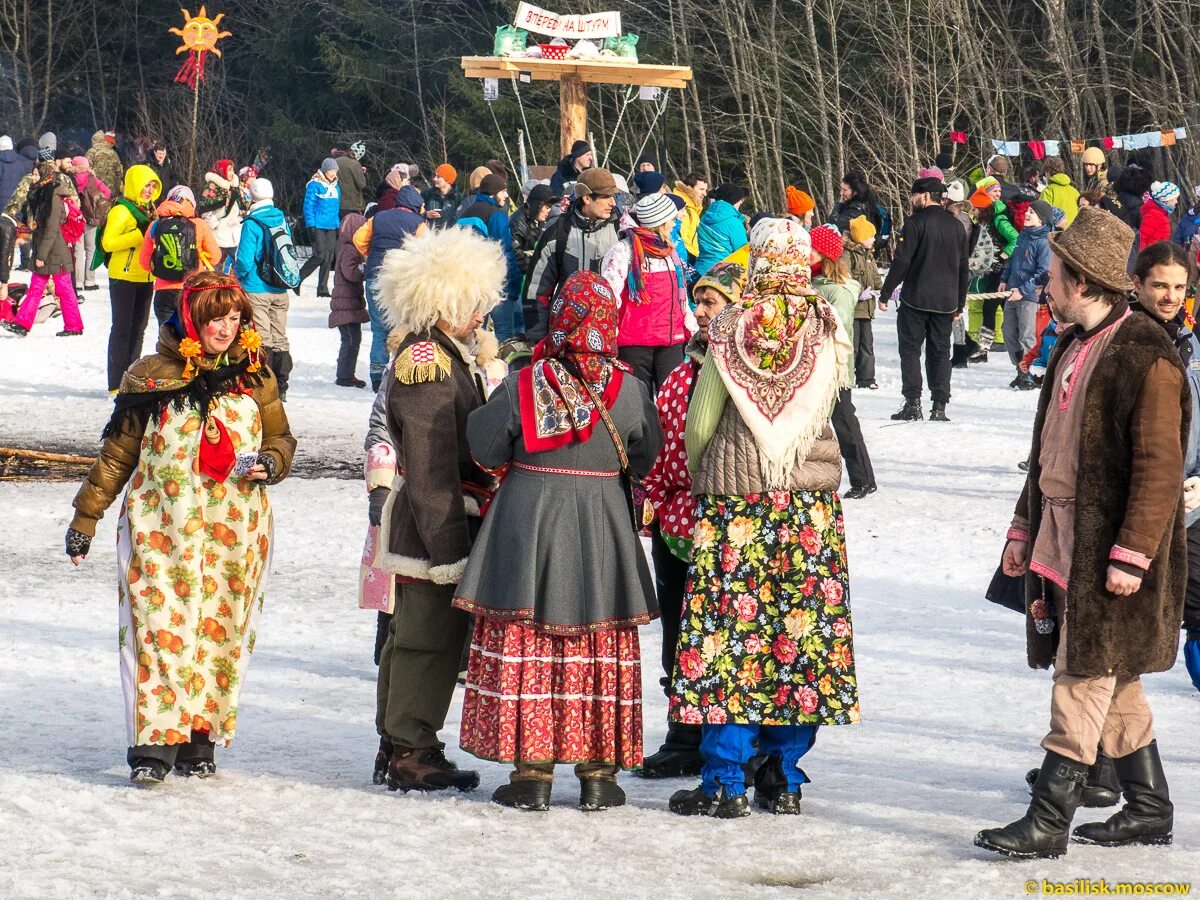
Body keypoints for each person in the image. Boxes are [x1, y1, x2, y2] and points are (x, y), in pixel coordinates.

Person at [976, 207, 1188, 859]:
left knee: (1082, 671)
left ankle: (1047, 821)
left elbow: (1159, 469)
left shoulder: (1145, 356)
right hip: (1062, 535)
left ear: (1085, 284)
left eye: (1056, 275)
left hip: (1114, 550)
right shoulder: (1072, 343)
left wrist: (1131, 555)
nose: (1047, 283)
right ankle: (1149, 808)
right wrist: (1022, 525)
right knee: (1115, 678)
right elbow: (1048, 451)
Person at [64, 269, 295, 784]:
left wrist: (273, 462)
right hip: (160, 529)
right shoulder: (149, 375)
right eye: (217, 318)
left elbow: (283, 439)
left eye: (235, 318)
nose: (227, 329)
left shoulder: (257, 376)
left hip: (235, 534)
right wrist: (86, 517)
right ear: (192, 316)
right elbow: (117, 454)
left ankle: (199, 737)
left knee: (221, 629)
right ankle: (153, 745)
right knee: (157, 627)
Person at [668, 218, 859, 818]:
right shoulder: (826, 329)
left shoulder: (729, 328)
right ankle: (783, 771)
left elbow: (701, 421)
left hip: (739, 505)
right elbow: (833, 404)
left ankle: (725, 778)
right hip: (808, 505)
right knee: (798, 634)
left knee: (731, 635)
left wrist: (713, 471)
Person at [454, 270, 662, 811]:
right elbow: (647, 456)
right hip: (603, 527)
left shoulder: (525, 383)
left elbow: (484, 447)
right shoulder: (630, 389)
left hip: (529, 524)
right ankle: (599, 774)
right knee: (600, 643)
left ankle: (532, 773)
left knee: (531, 643)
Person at [369, 224, 506, 794]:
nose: (483, 312)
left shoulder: (443, 355)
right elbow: (429, 466)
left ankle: (397, 740)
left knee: (411, 639)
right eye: (475, 301)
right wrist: (450, 550)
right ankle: (411, 748)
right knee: (427, 640)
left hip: (423, 525)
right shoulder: (428, 363)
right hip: (430, 529)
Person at [638, 261, 745, 781]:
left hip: (721, 520)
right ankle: (682, 735)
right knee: (677, 634)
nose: (700, 312)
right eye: (698, 302)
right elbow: (661, 442)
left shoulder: (740, 373)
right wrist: (651, 492)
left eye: (712, 303)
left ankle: (720, 738)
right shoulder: (684, 369)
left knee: (717, 636)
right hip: (673, 521)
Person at [1129, 242, 1200, 704]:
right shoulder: (1120, 341)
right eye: (1160, 285)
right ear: (1137, 285)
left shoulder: (1191, 345)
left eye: (1179, 287)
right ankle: (1097, 756)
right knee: (1119, 637)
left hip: (1191, 506)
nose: (1171, 296)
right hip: (1134, 511)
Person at [881, 176, 969, 422]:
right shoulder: (957, 227)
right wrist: (959, 302)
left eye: (914, 195)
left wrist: (887, 291)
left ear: (925, 196)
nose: (912, 200)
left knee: (910, 351)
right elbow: (964, 269)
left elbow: (902, 261)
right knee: (940, 352)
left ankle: (913, 402)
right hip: (946, 302)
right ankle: (939, 405)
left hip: (915, 299)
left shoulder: (914, 223)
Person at [601, 192, 692, 392]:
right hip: (634, 344)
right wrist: (608, 338)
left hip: (670, 342)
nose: (674, 223)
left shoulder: (670, 253)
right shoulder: (624, 251)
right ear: (660, 223)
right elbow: (609, 298)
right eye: (671, 219)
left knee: (671, 399)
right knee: (636, 402)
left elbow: (680, 296)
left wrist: (691, 329)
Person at [811, 224, 875, 498]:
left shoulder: (841, 290)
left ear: (825, 254)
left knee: (845, 422)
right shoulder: (811, 283)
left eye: (812, 249)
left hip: (834, 367)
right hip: (813, 366)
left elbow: (838, 330)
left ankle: (862, 478)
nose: (806, 253)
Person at [525, 168, 621, 340]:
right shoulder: (557, 234)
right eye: (606, 197)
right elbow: (536, 291)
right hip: (566, 333)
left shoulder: (621, 232)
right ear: (586, 197)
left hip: (611, 333)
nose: (613, 203)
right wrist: (537, 338)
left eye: (614, 196)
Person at [354, 184, 429, 390]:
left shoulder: (378, 217)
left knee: (379, 328)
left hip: (375, 276)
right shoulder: (418, 223)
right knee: (404, 326)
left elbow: (357, 238)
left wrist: (369, 253)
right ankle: (401, 372)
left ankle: (377, 375)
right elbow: (426, 250)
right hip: (400, 280)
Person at [2, 152, 84, 337]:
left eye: (37, 174)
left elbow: (51, 229)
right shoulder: (44, 195)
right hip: (49, 249)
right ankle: (23, 323)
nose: (34, 177)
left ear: (45, 176)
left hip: (54, 250)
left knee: (63, 289)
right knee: (39, 288)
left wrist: (40, 256)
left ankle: (74, 325)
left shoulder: (52, 198)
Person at [101, 164, 161, 393]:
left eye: (153, 185)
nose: (149, 189)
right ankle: (115, 383)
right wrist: (137, 236)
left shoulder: (151, 210)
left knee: (139, 328)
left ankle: (132, 377)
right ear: (135, 184)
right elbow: (109, 242)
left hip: (145, 276)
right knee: (122, 328)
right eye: (146, 184)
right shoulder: (121, 211)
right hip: (122, 276)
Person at [235, 178, 296, 399]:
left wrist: (237, 277)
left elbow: (244, 260)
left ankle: (264, 385)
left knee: (262, 338)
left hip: (256, 287)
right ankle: (282, 386)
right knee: (280, 338)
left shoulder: (252, 223)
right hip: (280, 288)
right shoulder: (281, 220)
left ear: (252, 196)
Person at [139, 185, 220, 326]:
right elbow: (215, 256)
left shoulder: (155, 225)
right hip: (193, 289)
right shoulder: (199, 225)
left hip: (164, 293)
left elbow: (145, 263)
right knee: (191, 340)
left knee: (168, 341)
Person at [457, 173, 522, 341]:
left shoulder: (464, 214)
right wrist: (514, 284)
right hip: (494, 282)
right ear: (494, 192)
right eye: (504, 191)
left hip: (469, 283)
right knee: (504, 331)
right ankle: (503, 366)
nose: (506, 196)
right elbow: (504, 251)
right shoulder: (497, 214)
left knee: (474, 331)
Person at [999, 201, 1053, 387]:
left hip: (1029, 296)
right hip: (1012, 291)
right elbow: (1013, 260)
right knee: (1008, 332)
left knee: (1027, 335)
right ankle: (1020, 369)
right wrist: (1004, 279)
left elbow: (1042, 272)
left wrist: (1023, 290)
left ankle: (1030, 373)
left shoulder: (1044, 241)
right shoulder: (1023, 235)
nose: (1027, 214)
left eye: (1031, 212)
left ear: (1041, 218)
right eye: (1028, 211)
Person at [330, 212, 369, 387]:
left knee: (352, 340)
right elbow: (351, 273)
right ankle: (345, 375)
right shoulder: (350, 251)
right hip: (345, 306)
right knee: (351, 341)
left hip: (349, 305)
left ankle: (346, 373)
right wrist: (365, 269)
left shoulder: (348, 249)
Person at [846, 215, 883, 389]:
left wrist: (883, 289)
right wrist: (859, 293)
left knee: (867, 344)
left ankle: (867, 378)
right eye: (871, 236)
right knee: (853, 344)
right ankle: (847, 376)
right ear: (861, 238)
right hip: (854, 308)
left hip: (867, 309)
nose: (874, 239)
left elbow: (875, 275)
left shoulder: (869, 255)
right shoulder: (848, 254)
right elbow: (846, 276)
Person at [296, 158, 341, 297]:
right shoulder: (314, 185)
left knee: (328, 257)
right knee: (319, 256)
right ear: (325, 171)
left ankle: (322, 288)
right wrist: (311, 225)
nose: (334, 174)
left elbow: (336, 208)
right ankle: (297, 279)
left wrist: (338, 225)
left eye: (335, 171)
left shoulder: (336, 186)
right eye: (331, 171)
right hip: (318, 225)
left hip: (332, 226)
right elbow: (308, 206)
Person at [197, 159, 247, 275]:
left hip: (234, 234)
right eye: (229, 170)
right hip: (218, 235)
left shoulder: (233, 188)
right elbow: (205, 210)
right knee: (217, 267)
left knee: (234, 269)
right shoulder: (211, 187)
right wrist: (216, 225)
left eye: (233, 170)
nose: (232, 173)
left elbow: (239, 206)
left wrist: (239, 218)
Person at [71, 155, 111, 293]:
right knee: (91, 250)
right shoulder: (93, 179)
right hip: (92, 219)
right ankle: (90, 281)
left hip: (76, 219)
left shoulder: (71, 179)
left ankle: (77, 282)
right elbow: (107, 192)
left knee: (78, 252)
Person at [694, 184, 748, 277]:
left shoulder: (704, 217)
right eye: (739, 201)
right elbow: (743, 252)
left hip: (699, 270)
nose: (740, 203)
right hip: (720, 273)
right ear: (733, 201)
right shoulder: (734, 223)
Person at [509, 183, 557, 279]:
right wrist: (536, 267)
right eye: (547, 207)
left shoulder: (538, 219)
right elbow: (515, 253)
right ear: (537, 205)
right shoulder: (518, 222)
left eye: (550, 207)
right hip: (519, 278)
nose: (549, 211)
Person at [672, 174, 707, 264]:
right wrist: (691, 256)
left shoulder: (692, 206)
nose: (705, 194)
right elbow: (682, 235)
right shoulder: (683, 206)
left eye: (705, 190)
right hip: (685, 256)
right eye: (701, 189)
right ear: (689, 188)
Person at [1040, 157, 1080, 227]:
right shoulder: (1075, 191)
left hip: (1056, 234)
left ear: (1047, 173)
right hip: (1073, 232)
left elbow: (1042, 215)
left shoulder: (1048, 191)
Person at [1139, 181, 1179, 251]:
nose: (1176, 201)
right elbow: (1142, 239)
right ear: (1166, 199)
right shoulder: (1155, 215)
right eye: (1174, 198)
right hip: (1149, 258)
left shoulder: (1161, 213)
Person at [85, 130, 123, 196]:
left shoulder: (91, 152)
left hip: (96, 187)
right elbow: (119, 172)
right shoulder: (113, 153)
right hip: (111, 188)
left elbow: (86, 169)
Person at [422, 163, 461, 229]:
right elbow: (416, 211)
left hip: (450, 237)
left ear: (448, 180)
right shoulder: (427, 193)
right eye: (435, 176)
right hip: (430, 236)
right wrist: (426, 214)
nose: (434, 179)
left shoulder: (458, 197)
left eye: (438, 176)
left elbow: (461, 219)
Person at [335, 145, 367, 218]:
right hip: (352, 204)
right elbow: (362, 184)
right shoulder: (355, 164)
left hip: (337, 202)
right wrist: (361, 173)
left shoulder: (336, 161)